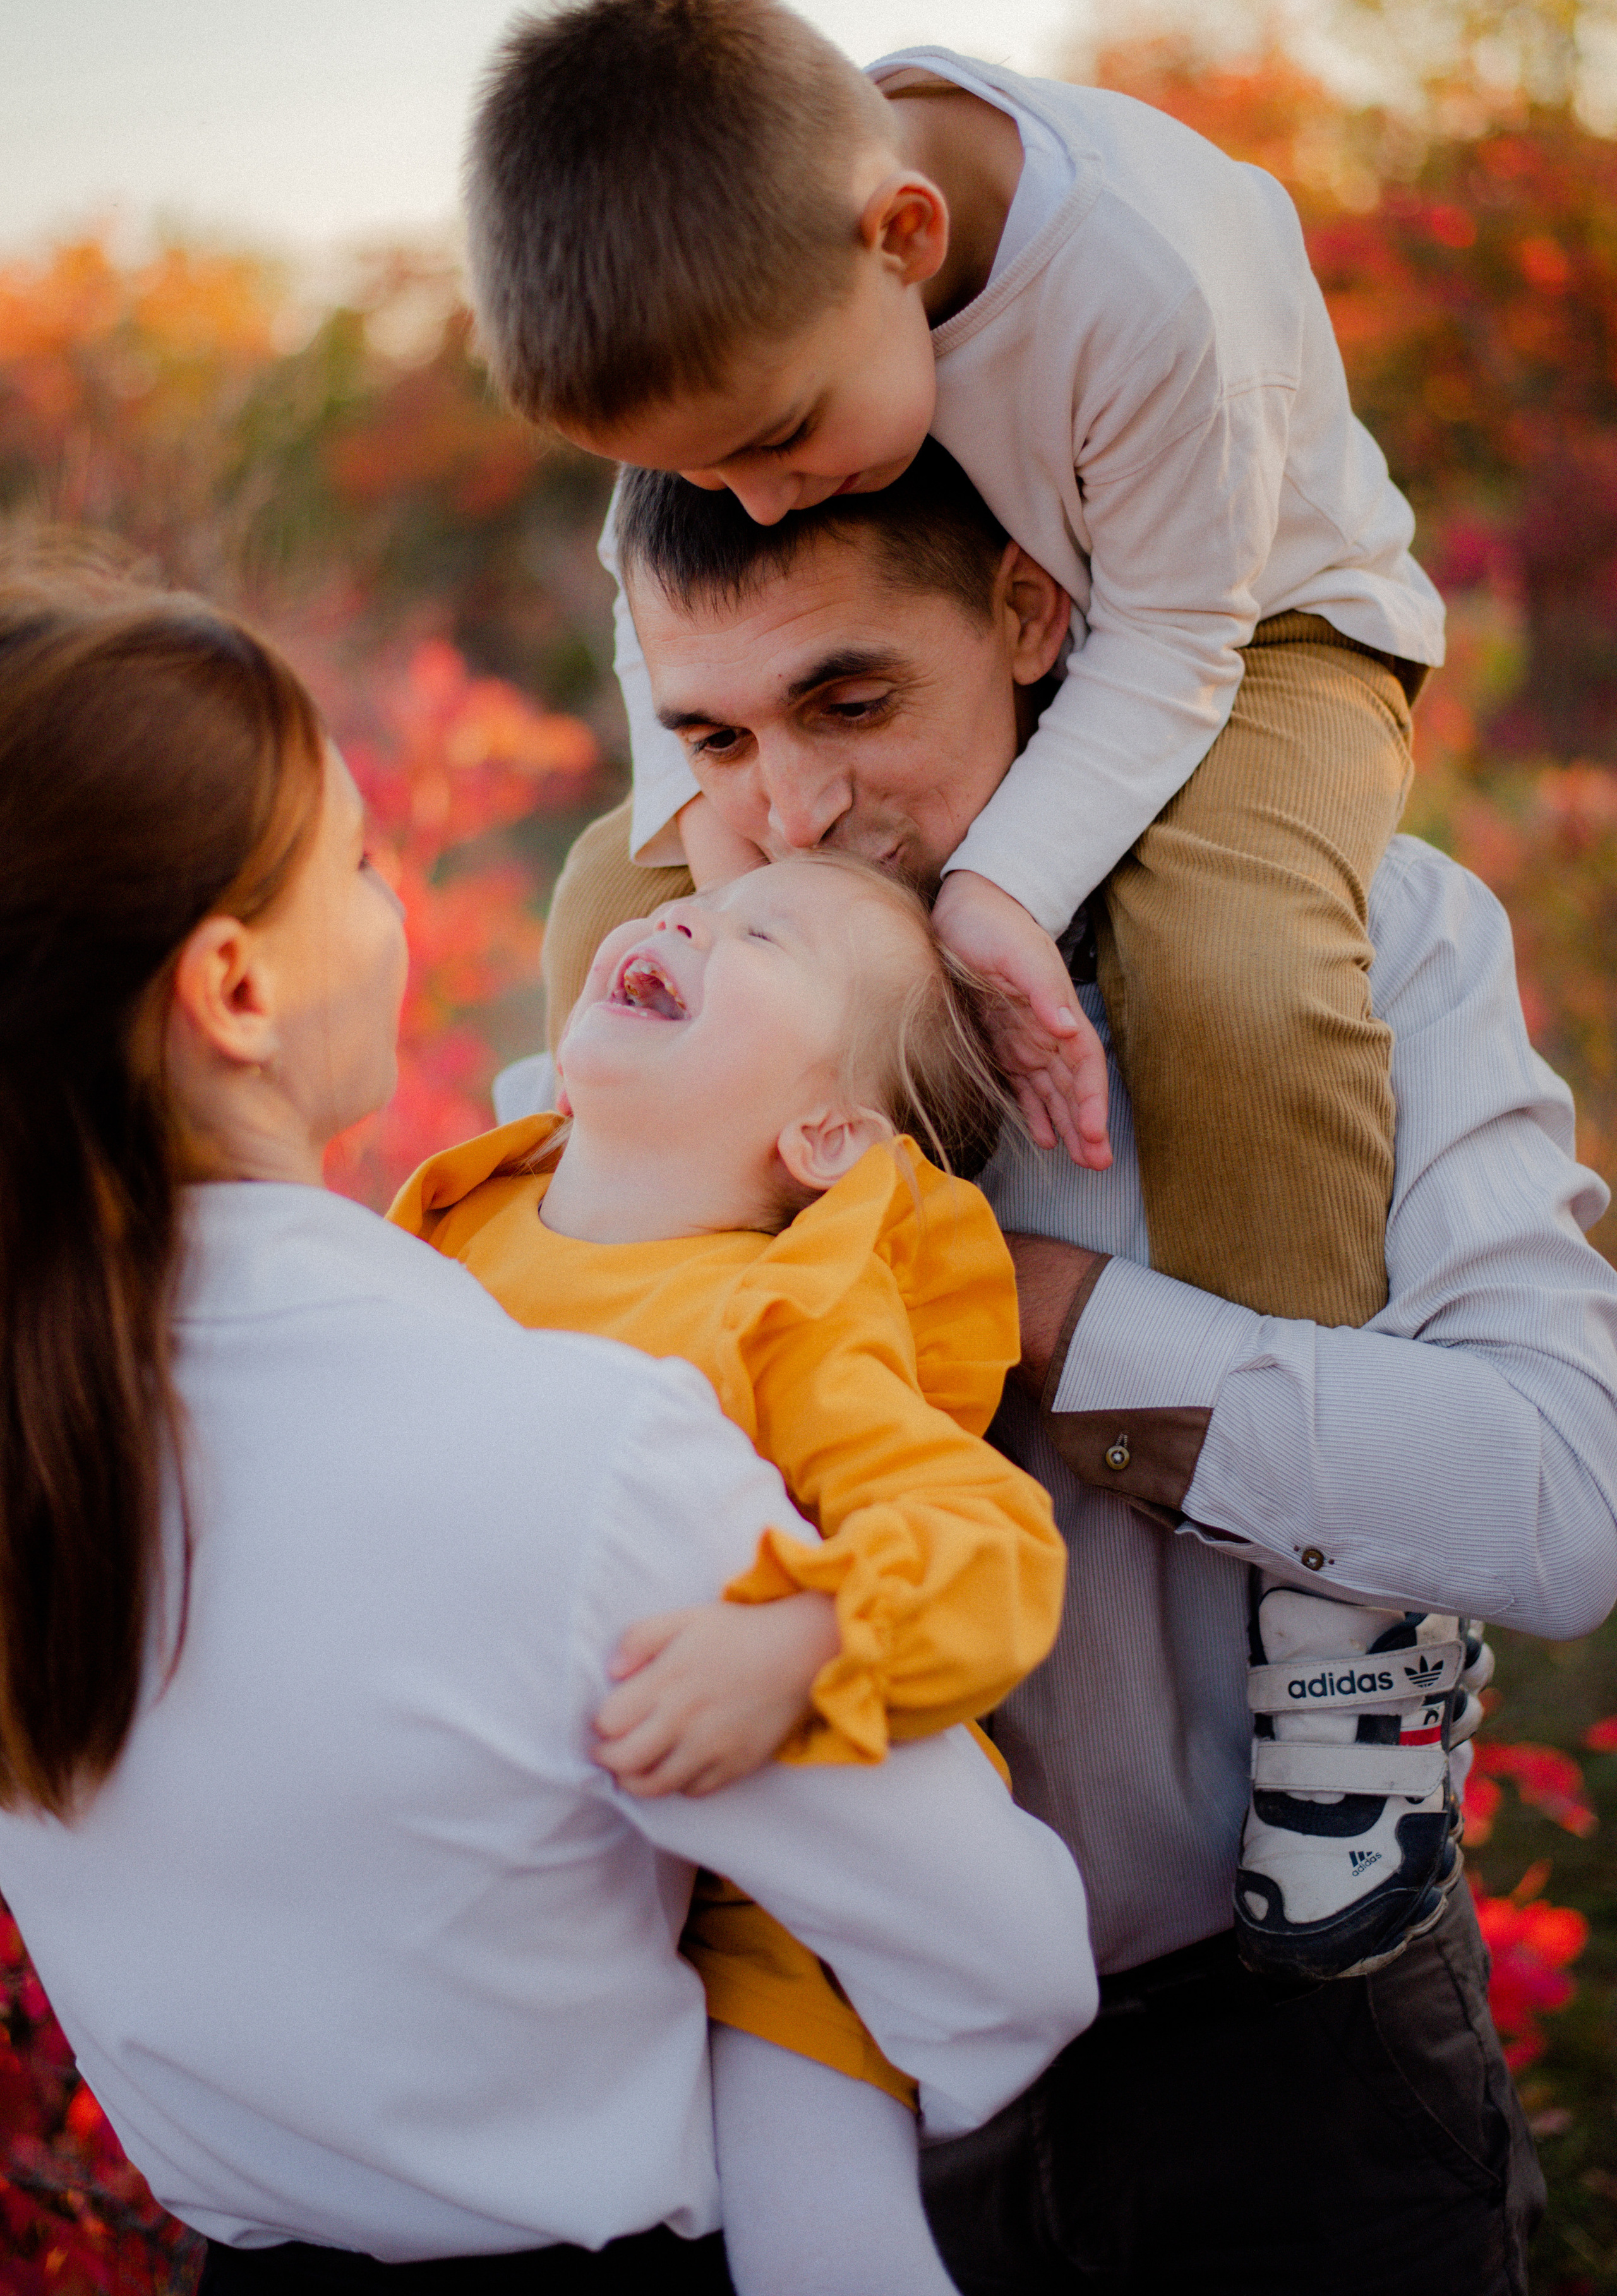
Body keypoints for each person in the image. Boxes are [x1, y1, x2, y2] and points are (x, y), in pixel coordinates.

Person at [490, 458, 1617, 2294]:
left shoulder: (1355, 944)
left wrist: (1064, 1316)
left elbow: (1566, 1497)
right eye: (712, 736)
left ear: (1030, 619)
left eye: (853, 701)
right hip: (796, 2075)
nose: (792, 812)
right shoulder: (639, 1023)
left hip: (1291, 2073)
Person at [463, 0, 1450, 1977]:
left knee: (1233, 963)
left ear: (907, 244)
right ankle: (631, 1426)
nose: (754, 494)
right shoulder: (741, 308)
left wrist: (994, 899)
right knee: (604, 896)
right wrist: (703, 843)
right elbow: (678, 629)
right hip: (856, 1960)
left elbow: (1174, 647)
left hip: (1259, 626)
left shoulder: (1141, 290)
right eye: (708, 480)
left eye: (775, 447)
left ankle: (1353, 1643)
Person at [0, 565, 1099, 2292]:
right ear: (232, 988)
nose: (395, 900)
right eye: (360, 864)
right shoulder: (584, 1451)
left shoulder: (61, 1422)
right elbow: (1011, 1967)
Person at [391, 851, 1066, 2296]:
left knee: (827, 2249)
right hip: (516, 1864)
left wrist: (807, 1640)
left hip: (763, 1920)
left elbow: (987, 1540)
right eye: (693, 899)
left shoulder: (785, 1313)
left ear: (825, 1132)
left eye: (765, 932)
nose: (684, 911)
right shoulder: (448, 1228)